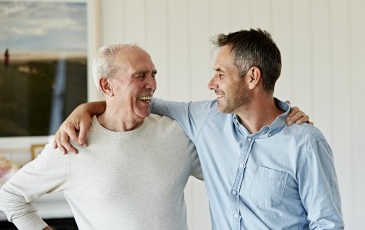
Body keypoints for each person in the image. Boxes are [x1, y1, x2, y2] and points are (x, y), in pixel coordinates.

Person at [56, 29, 343, 229]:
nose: (211, 83)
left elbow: (327, 224)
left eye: (220, 73)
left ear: (252, 77)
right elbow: (140, 102)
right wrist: (86, 109)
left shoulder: (305, 142)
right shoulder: (206, 119)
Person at [0, 44, 203, 229]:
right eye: (140, 75)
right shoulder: (70, 145)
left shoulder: (177, 134)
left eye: (153, 74)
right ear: (107, 86)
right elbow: (10, 196)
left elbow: (229, 176)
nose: (152, 84)